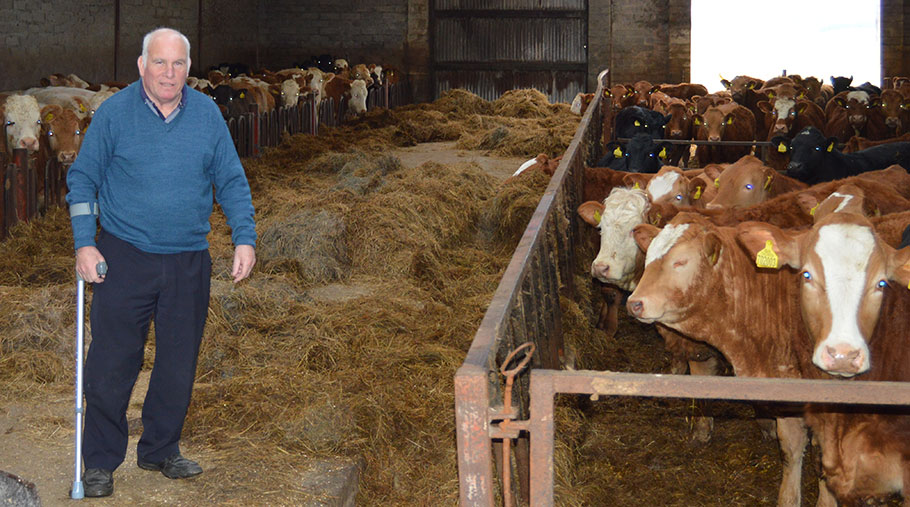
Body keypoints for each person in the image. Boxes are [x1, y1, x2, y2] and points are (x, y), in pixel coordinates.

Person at [66, 27, 256, 498]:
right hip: (124, 255)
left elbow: (230, 179)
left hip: (188, 258)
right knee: (112, 362)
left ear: (188, 68)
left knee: (177, 361)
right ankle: (101, 461)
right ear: (141, 65)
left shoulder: (208, 114)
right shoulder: (114, 114)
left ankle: (160, 449)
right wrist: (85, 243)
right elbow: (83, 179)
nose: (168, 73)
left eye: (177, 64)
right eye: (159, 63)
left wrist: (244, 237)